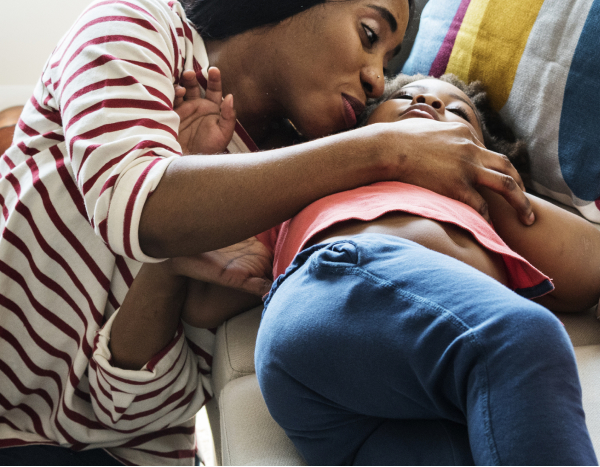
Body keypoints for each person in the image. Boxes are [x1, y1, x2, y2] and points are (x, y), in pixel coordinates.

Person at [0, 0, 536, 466]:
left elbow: (138, 409)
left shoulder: (290, 192)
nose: (379, 80)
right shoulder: (136, 28)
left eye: (388, 62)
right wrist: (383, 150)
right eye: (371, 35)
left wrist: (169, 265)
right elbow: (141, 208)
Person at [179, 73, 600, 465]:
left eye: (457, 113)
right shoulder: (325, 178)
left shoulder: (481, 201)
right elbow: (200, 304)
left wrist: (483, 176)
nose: (426, 99)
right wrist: (197, 169)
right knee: (522, 338)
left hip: (373, 401)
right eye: (402, 97)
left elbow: (588, 269)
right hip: (338, 286)